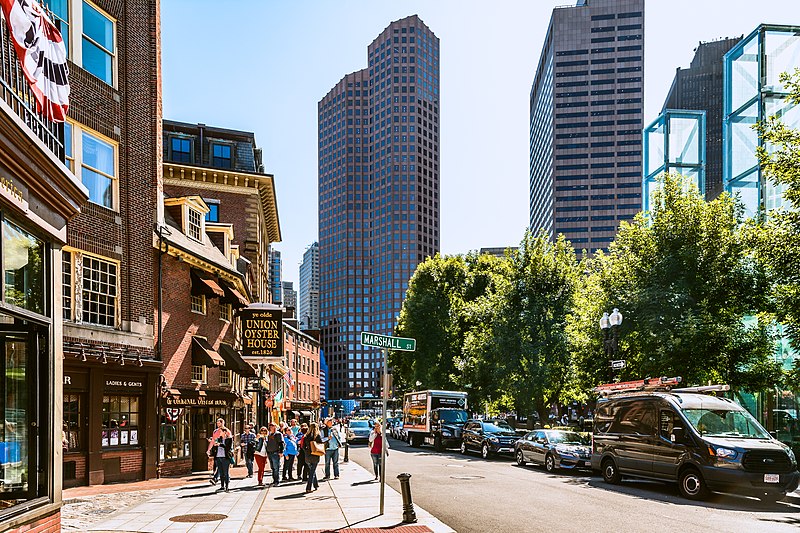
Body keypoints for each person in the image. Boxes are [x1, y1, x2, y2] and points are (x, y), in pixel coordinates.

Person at [207, 421, 233, 492]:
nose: (219, 433)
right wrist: (213, 445)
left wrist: (219, 444)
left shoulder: (229, 439)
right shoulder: (219, 438)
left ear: (225, 432)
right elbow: (214, 442)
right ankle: (222, 486)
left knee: (226, 472)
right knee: (221, 473)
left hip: (225, 457)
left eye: (221, 432)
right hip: (218, 456)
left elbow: (228, 448)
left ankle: (227, 486)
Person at [302, 422, 324, 493]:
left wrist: (307, 451)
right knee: (312, 472)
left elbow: (302, 446)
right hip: (315, 455)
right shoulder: (317, 436)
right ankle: (308, 487)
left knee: (312, 470)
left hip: (308, 456)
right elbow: (320, 445)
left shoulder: (306, 436)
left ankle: (316, 484)